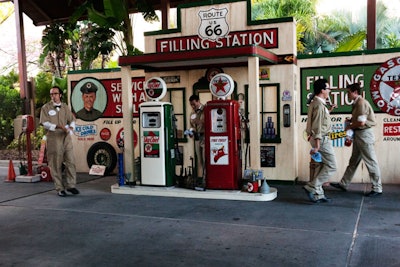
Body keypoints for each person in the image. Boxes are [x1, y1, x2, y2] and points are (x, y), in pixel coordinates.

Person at [330, 83, 383, 197]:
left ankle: (377, 188)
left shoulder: (361, 103)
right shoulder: (357, 103)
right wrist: (352, 120)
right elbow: (359, 120)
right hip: (359, 135)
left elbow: (361, 123)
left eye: (348, 92)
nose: (347, 95)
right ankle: (344, 183)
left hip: (364, 135)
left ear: (355, 92)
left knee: (371, 161)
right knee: (353, 161)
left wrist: (349, 126)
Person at [40, 86, 79, 197]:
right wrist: (58, 126)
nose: (53, 96)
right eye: (51, 94)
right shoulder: (46, 108)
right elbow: (44, 123)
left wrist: (71, 127)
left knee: (70, 161)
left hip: (66, 137)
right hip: (53, 137)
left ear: (60, 95)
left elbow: (72, 120)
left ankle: (71, 185)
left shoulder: (65, 107)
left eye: (55, 94)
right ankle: (59, 188)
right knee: (56, 163)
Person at [303, 78, 337, 203]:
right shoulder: (318, 104)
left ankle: (318, 194)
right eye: (328, 88)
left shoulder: (317, 103)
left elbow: (321, 120)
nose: (329, 90)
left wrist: (330, 110)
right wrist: (317, 146)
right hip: (321, 139)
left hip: (318, 138)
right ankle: (312, 186)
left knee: (321, 166)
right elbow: (317, 126)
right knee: (332, 165)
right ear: (322, 90)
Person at [188, 94, 205, 179]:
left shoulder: (205, 109)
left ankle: (207, 177)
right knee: (200, 160)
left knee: (206, 158)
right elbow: (191, 125)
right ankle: (201, 178)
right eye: (191, 104)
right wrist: (190, 132)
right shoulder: (192, 113)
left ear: (198, 101)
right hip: (197, 138)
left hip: (205, 137)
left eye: (194, 104)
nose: (193, 106)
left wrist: (200, 121)